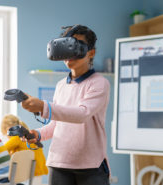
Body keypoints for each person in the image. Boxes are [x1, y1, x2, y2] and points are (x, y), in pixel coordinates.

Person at [21, 25, 111, 185]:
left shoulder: (99, 83)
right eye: (66, 47)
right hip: (59, 163)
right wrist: (38, 134)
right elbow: (57, 124)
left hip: (90, 165)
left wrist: (43, 107)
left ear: (91, 52)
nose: (70, 53)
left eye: (76, 47)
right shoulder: (61, 85)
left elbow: (81, 114)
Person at [1, 114, 48, 185]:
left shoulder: (16, 138)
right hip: (38, 169)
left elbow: (1, 151)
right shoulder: (27, 135)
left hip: (29, 173)